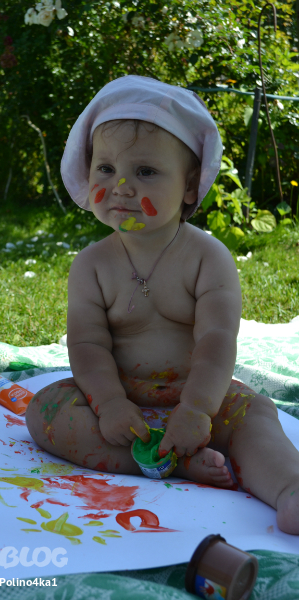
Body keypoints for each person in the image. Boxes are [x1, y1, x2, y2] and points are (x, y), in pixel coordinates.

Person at [26, 75, 299, 534]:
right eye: (105, 168)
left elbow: (216, 340)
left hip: (202, 396)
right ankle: (169, 463)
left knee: (255, 416)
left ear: (190, 186)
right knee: (45, 411)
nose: (121, 186)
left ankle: (289, 488)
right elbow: (87, 344)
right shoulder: (92, 265)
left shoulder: (207, 258)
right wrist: (109, 403)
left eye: (146, 172)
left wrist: (197, 409)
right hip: (120, 400)